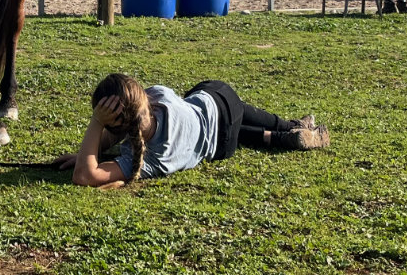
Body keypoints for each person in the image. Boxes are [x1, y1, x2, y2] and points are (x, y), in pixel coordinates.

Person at [60, 72, 328, 188]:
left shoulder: (150, 158)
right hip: (218, 100)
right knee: (235, 109)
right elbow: (125, 127)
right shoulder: (159, 95)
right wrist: (93, 147)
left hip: (223, 146)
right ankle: (289, 127)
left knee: (229, 126)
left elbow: (85, 175)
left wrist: (96, 127)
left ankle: (280, 137)